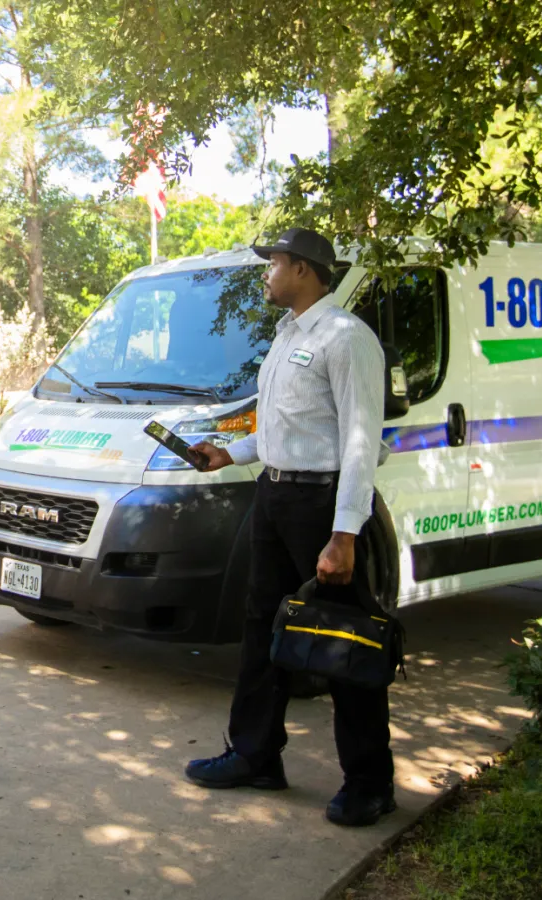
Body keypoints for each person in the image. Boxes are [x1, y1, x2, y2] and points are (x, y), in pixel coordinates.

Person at [184, 227, 395, 827]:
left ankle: (369, 782)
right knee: (260, 627)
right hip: (273, 496)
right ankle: (254, 755)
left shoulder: (347, 338)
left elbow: (360, 440)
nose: (267, 273)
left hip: (322, 504)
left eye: (273, 263)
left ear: (302, 270)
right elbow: (290, 430)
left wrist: (345, 532)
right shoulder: (286, 336)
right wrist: (233, 453)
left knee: (344, 638)